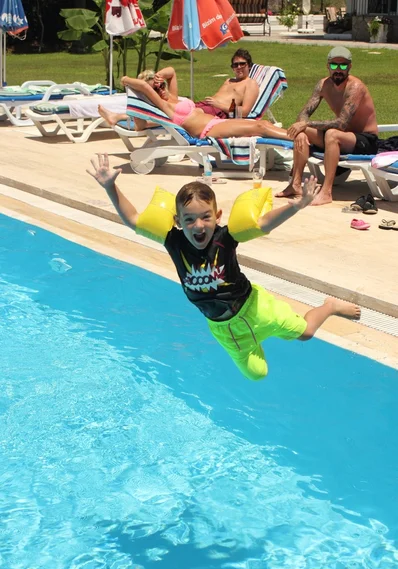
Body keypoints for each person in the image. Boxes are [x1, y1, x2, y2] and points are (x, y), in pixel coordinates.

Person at [87, 153, 361, 381]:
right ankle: (256, 339)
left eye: (206, 217)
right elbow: (134, 219)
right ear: (178, 221)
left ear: (217, 216)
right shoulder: (173, 241)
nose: (199, 225)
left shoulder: (225, 237)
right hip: (222, 328)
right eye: (190, 219)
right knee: (257, 374)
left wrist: (296, 206)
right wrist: (110, 187)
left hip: (255, 309)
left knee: (306, 334)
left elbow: (264, 224)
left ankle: (330, 306)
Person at [276, 47, 379, 206]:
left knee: (331, 133)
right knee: (303, 131)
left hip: (365, 140)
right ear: (328, 66)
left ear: (349, 67)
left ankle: (326, 192)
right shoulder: (323, 85)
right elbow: (303, 114)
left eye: (343, 66)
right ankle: (295, 184)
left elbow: (341, 123)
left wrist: (306, 123)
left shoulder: (355, 87)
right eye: (334, 65)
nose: (338, 70)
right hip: (343, 137)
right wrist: (303, 127)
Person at [104, 66, 289, 141]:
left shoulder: (173, 98)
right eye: (156, 89)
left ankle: (297, 136)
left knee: (263, 124)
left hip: (216, 122)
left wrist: (158, 76)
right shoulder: (165, 105)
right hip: (208, 129)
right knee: (260, 127)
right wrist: (125, 79)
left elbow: (172, 71)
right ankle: (295, 138)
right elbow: (143, 86)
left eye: (161, 85)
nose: (160, 89)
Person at [98, 48, 261, 130]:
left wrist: (220, 106)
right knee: (166, 110)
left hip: (215, 114)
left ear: (249, 65)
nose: (238, 67)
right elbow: (171, 71)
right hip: (203, 107)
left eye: (242, 64)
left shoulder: (250, 84)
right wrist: (158, 77)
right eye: (235, 64)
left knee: (169, 115)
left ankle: (121, 118)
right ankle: (121, 117)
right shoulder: (229, 80)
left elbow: (244, 113)